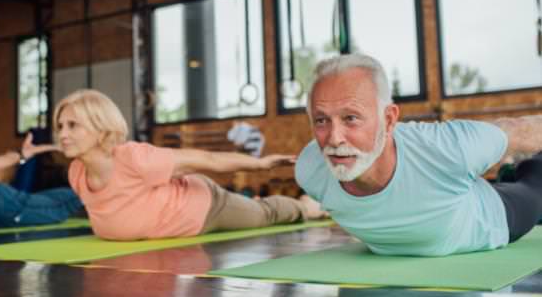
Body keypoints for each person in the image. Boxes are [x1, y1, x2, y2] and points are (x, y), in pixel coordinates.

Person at [294, 53, 542, 256]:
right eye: (321, 120)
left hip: (493, 217)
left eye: (351, 118)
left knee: (535, 178)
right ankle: (505, 173)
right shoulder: (310, 170)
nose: (334, 138)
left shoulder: (448, 148)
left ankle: (517, 172)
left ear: (389, 120)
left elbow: (520, 130)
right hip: (453, 190)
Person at [53, 89, 327, 241]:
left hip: (205, 208)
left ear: (101, 129)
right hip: (175, 224)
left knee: (264, 214)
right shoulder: (76, 173)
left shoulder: (134, 158)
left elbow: (207, 160)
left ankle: (307, 206)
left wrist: (261, 164)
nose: (62, 134)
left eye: (73, 125)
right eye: (60, 126)